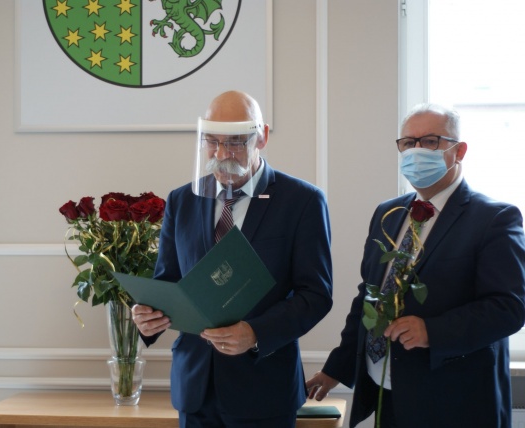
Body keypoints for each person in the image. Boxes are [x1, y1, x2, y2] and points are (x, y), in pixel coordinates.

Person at [306, 103, 525, 427]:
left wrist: (432, 331)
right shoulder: (387, 213)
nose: (417, 151)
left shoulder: (494, 218)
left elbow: (509, 308)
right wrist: (336, 367)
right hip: (388, 392)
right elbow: (370, 295)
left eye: (431, 141)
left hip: (455, 401)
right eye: (408, 143)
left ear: (459, 151)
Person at [132, 90, 333, 427]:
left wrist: (255, 333)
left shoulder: (302, 201)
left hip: (264, 390)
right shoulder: (182, 200)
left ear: (262, 136)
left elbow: (316, 295)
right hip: (195, 388)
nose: (222, 154)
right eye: (212, 141)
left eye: (236, 142)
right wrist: (147, 316)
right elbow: (168, 281)